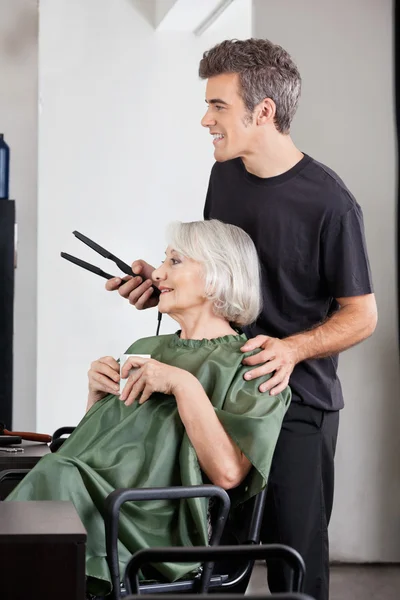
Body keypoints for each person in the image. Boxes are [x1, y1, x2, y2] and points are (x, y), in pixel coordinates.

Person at [105, 39, 378, 600]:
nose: (205, 119)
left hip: (297, 400)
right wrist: (162, 284)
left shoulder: (331, 204)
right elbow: (218, 282)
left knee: (296, 568)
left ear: (264, 111)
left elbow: (362, 315)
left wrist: (292, 349)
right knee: (212, 558)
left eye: (218, 106)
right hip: (222, 392)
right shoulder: (224, 177)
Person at [6, 219, 291, 597]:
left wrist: (182, 384)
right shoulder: (148, 346)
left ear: (217, 276)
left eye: (175, 261)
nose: (157, 274)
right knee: (49, 478)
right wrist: (96, 394)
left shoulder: (253, 366)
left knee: (52, 482)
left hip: (149, 521)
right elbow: (98, 448)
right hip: (86, 491)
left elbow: (227, 474)